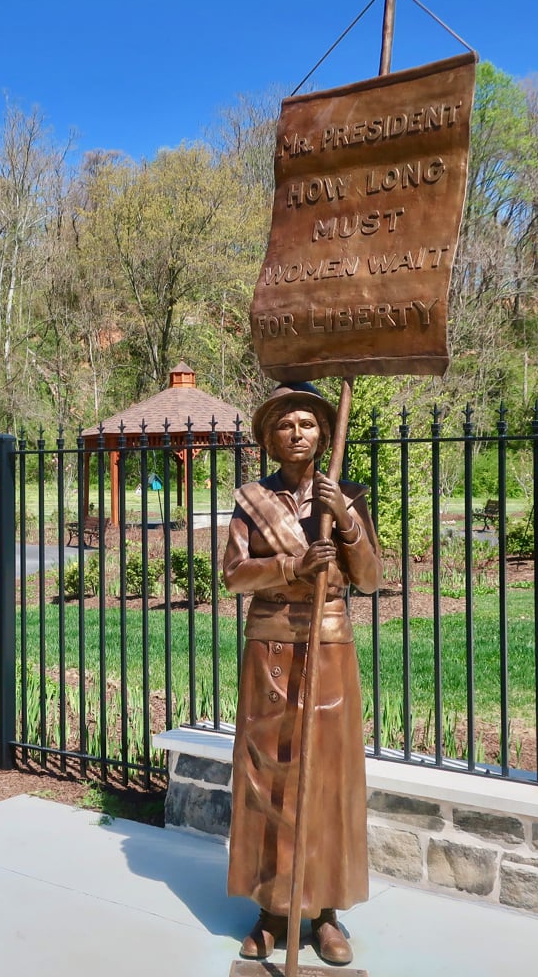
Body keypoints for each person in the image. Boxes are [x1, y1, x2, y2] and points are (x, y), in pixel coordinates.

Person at [221, 382, 381, 966]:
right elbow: (234, 574)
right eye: (286, 425)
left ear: (323, 433)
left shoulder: (347, 495)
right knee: (269, 777)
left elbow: (367, 576)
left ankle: (326, 910)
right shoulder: (250, 500)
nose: (298, 433)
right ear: (270, 437)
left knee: (327, 778)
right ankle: (271, 910)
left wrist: (344, 522)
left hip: (329, 645)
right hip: (270, 648)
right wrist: (291, 563)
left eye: (309, 424)